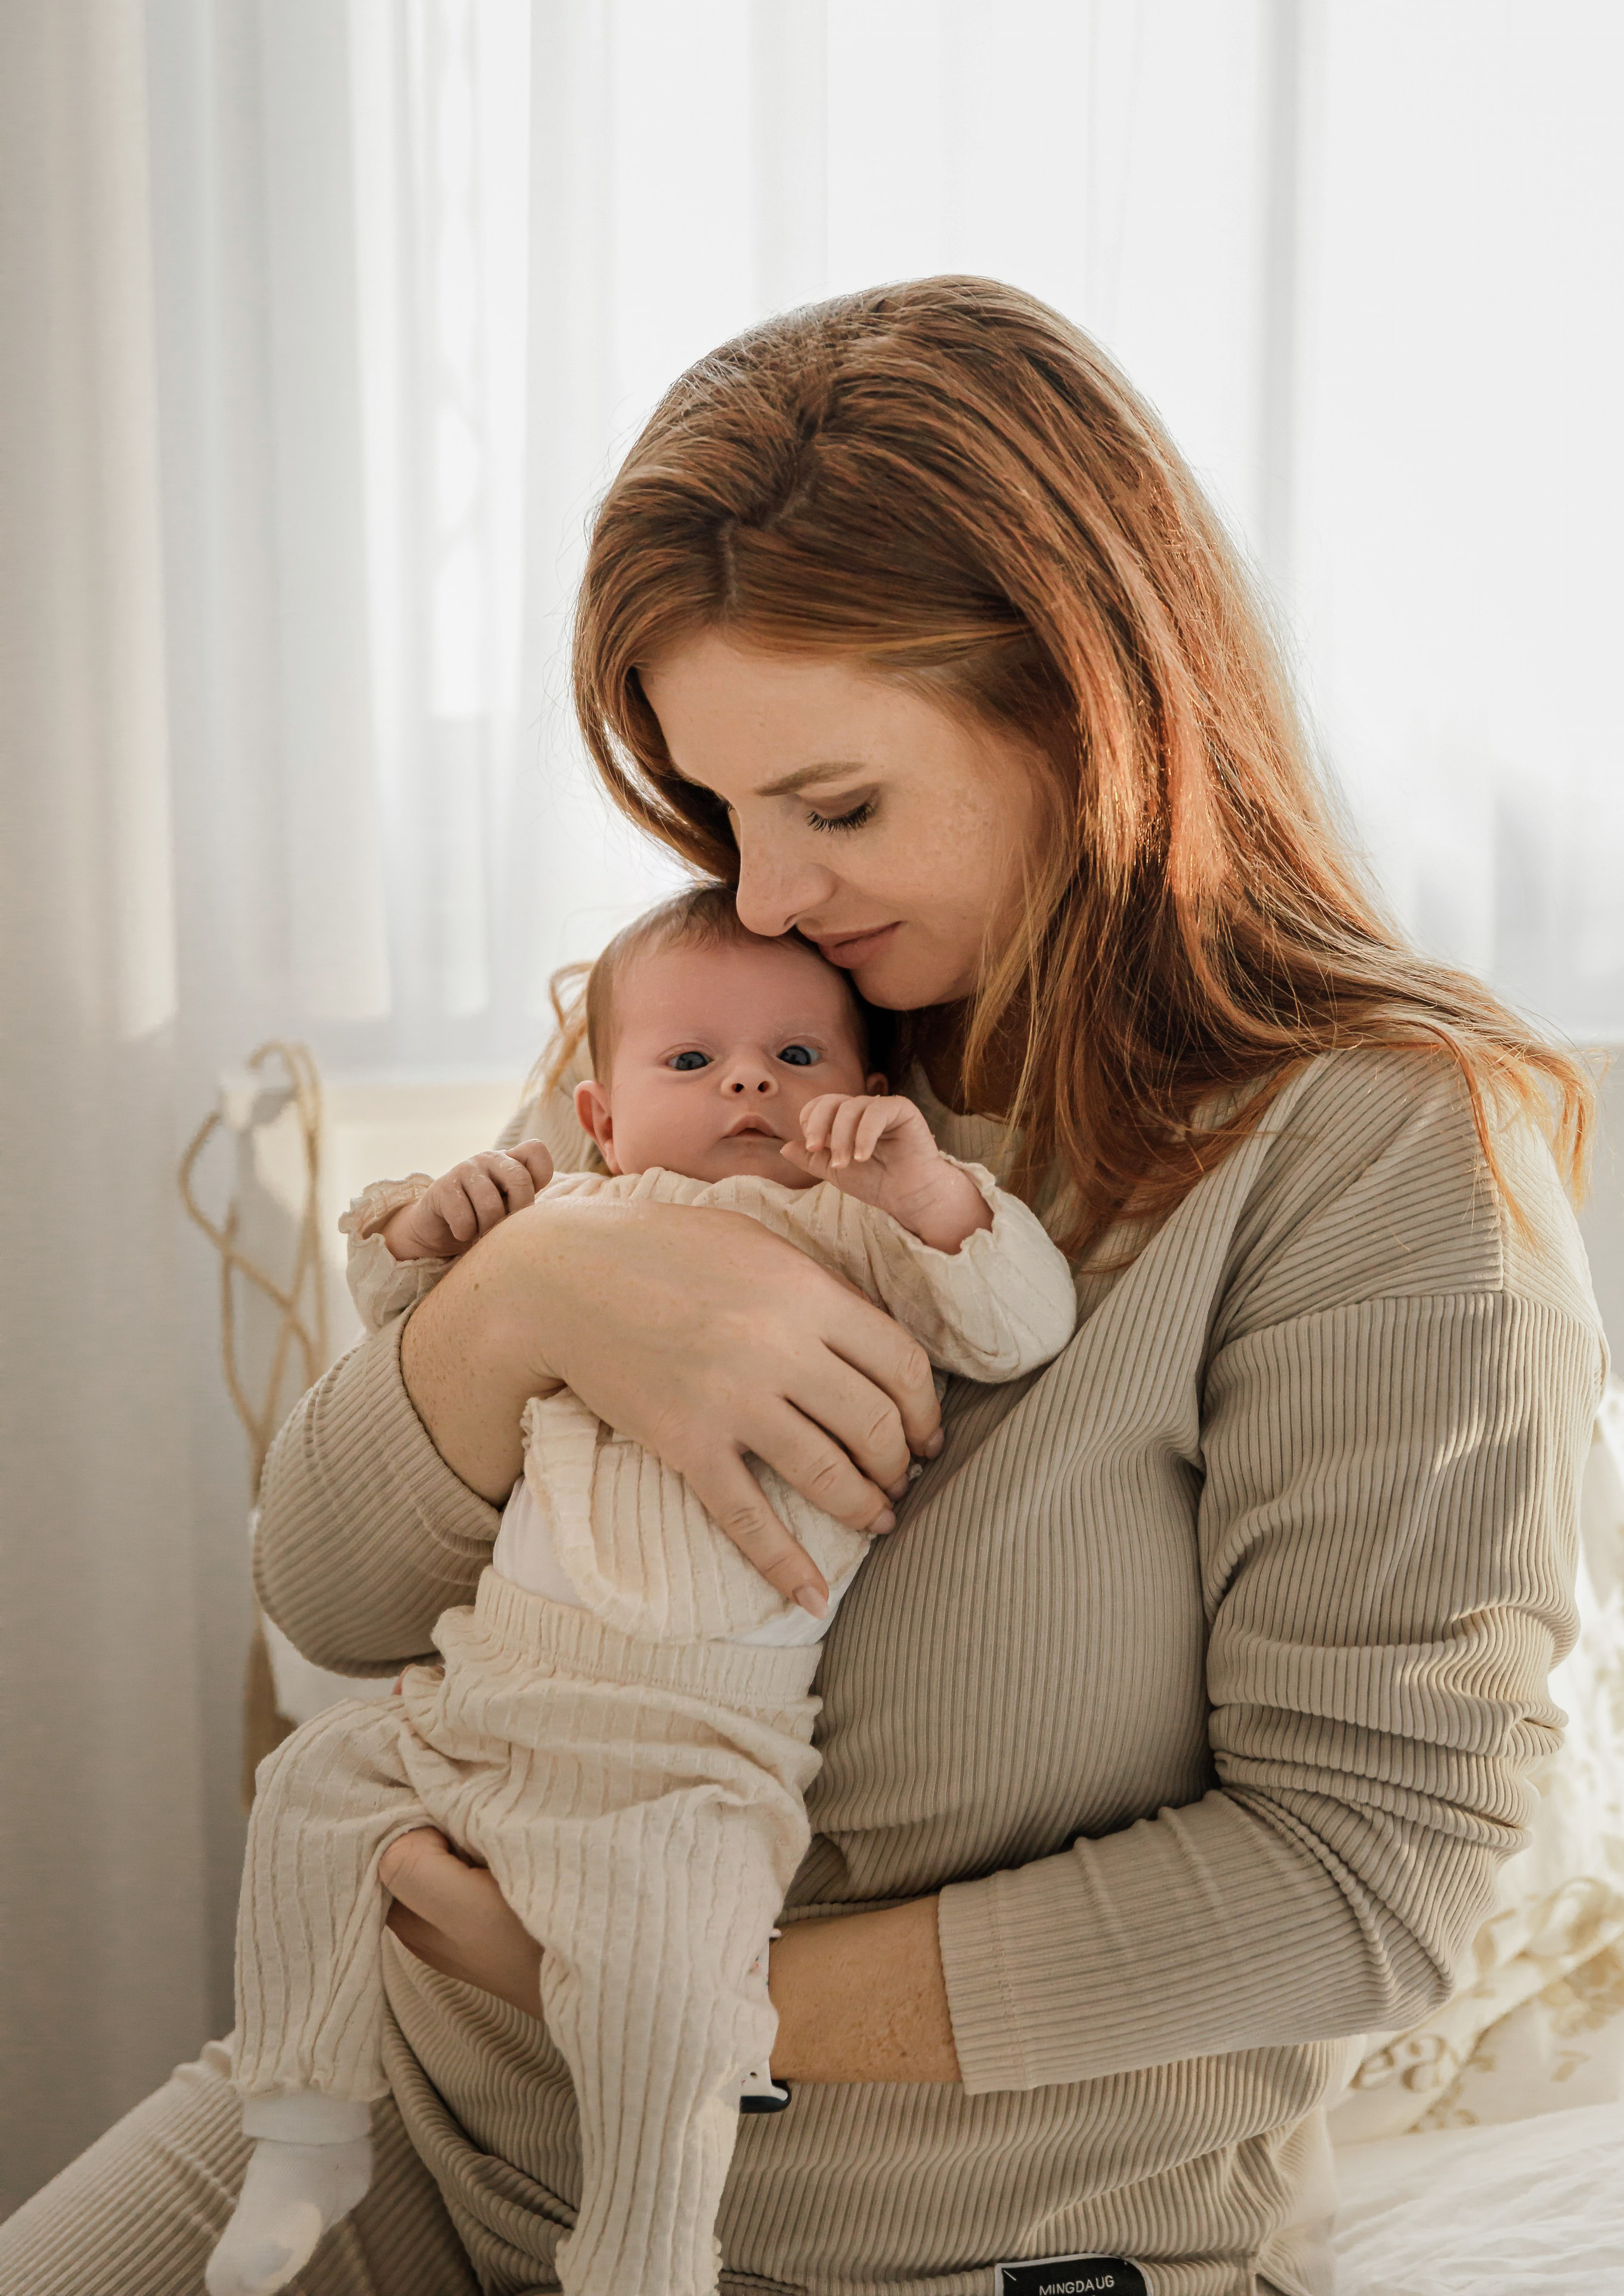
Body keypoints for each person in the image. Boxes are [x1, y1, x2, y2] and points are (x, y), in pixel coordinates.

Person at [0, 276, 1603, 2296]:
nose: (767, 896)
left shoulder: (1375, 1154)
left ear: (1081, 707)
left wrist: (681, 1992)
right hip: (427, 2126)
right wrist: (535, 1300)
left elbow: (1370, 1885)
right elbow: (332, 1587)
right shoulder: (743, 1023)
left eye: (835, 806)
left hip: (936, 2251)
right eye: (717, 809)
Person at [205, 883, 1075, 2296]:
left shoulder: (852, 1238)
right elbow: (400, 1343)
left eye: (796, 1061)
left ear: (863, 1091)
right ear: (597, 1118)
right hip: (490, 1694)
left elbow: (1019, 1320)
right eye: (691, 1062)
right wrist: (441, 1230)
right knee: (311, 1795)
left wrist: (919, 1186)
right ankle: (303, 2134)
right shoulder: (569, 1217)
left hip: (694, 1749)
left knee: (668, 1994)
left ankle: (644, 2255)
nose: (746, 1082)